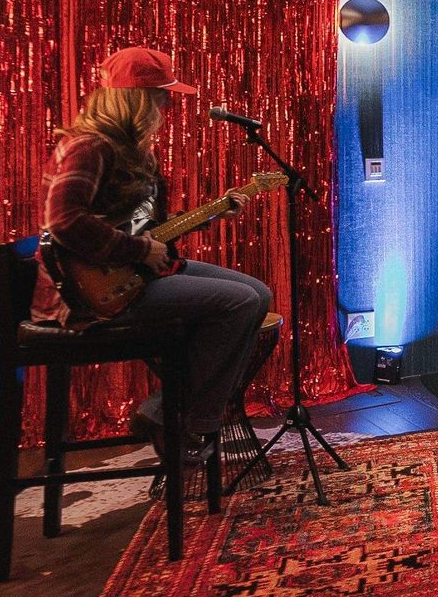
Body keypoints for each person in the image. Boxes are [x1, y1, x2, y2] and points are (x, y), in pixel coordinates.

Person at [34, 47, 272, 459]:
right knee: (239, 303)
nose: (167, 104)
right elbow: (64, 220)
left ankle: (164, 412)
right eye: (161, 95)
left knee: (258, 295)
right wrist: (137, 250)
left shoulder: (134, 151)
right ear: (137, 99)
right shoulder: (90, 146)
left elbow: (148, 230)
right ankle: (192, 427)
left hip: (136, 271)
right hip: (91, 293)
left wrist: (213, 213)